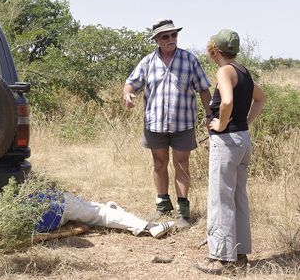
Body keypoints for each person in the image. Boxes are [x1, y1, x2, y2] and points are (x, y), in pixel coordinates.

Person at [123, 19, 212, 228]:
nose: (171, 39)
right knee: (159, 163)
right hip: (154, 123)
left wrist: (210, 115)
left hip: (183, 123)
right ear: (156, 40)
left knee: (181, 164)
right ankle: (163, 206)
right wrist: (127, 94)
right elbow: (130, 83)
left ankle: (183, 212)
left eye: (174, 35)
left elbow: (204, 89)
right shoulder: (147, 62)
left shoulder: (190, 60)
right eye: (165, 36)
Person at [195, 29, 265, 275]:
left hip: (226, 142)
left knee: (221, 198)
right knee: (238, 197)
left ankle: (221, 259)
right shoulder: (243, 71)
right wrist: (245, 123)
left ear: (214, 50)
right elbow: (261, 98)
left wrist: (222, 124)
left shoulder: (225, 71)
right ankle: (240, 254)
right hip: (243, 140)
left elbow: (226, 102)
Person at [36, 192, 175, 239]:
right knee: (98, 212)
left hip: (46, 224)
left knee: (91, 211)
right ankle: (149, 226)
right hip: (57, 209)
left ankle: (115, 211)